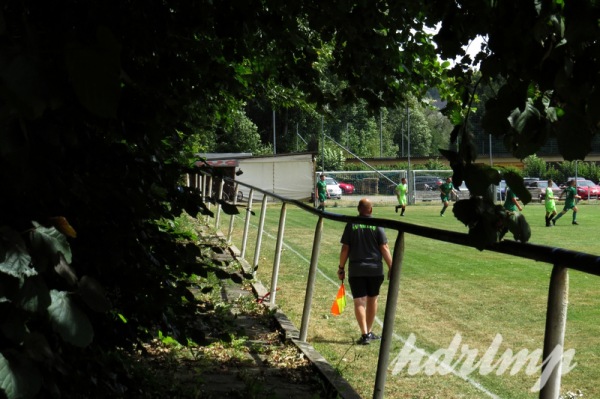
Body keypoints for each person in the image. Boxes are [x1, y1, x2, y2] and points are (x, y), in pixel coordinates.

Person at [338, 198, 393, 345]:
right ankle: (368, 331)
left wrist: (341, 267)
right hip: (375, 269)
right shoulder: (377, 224)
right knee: (372, 299)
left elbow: (345, 248)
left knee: (359, 301)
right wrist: (391, 267)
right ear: (370, 210)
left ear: (358, 209)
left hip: (356, 269)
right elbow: (384, 247)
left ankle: (365, 334)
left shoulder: (351, 224)